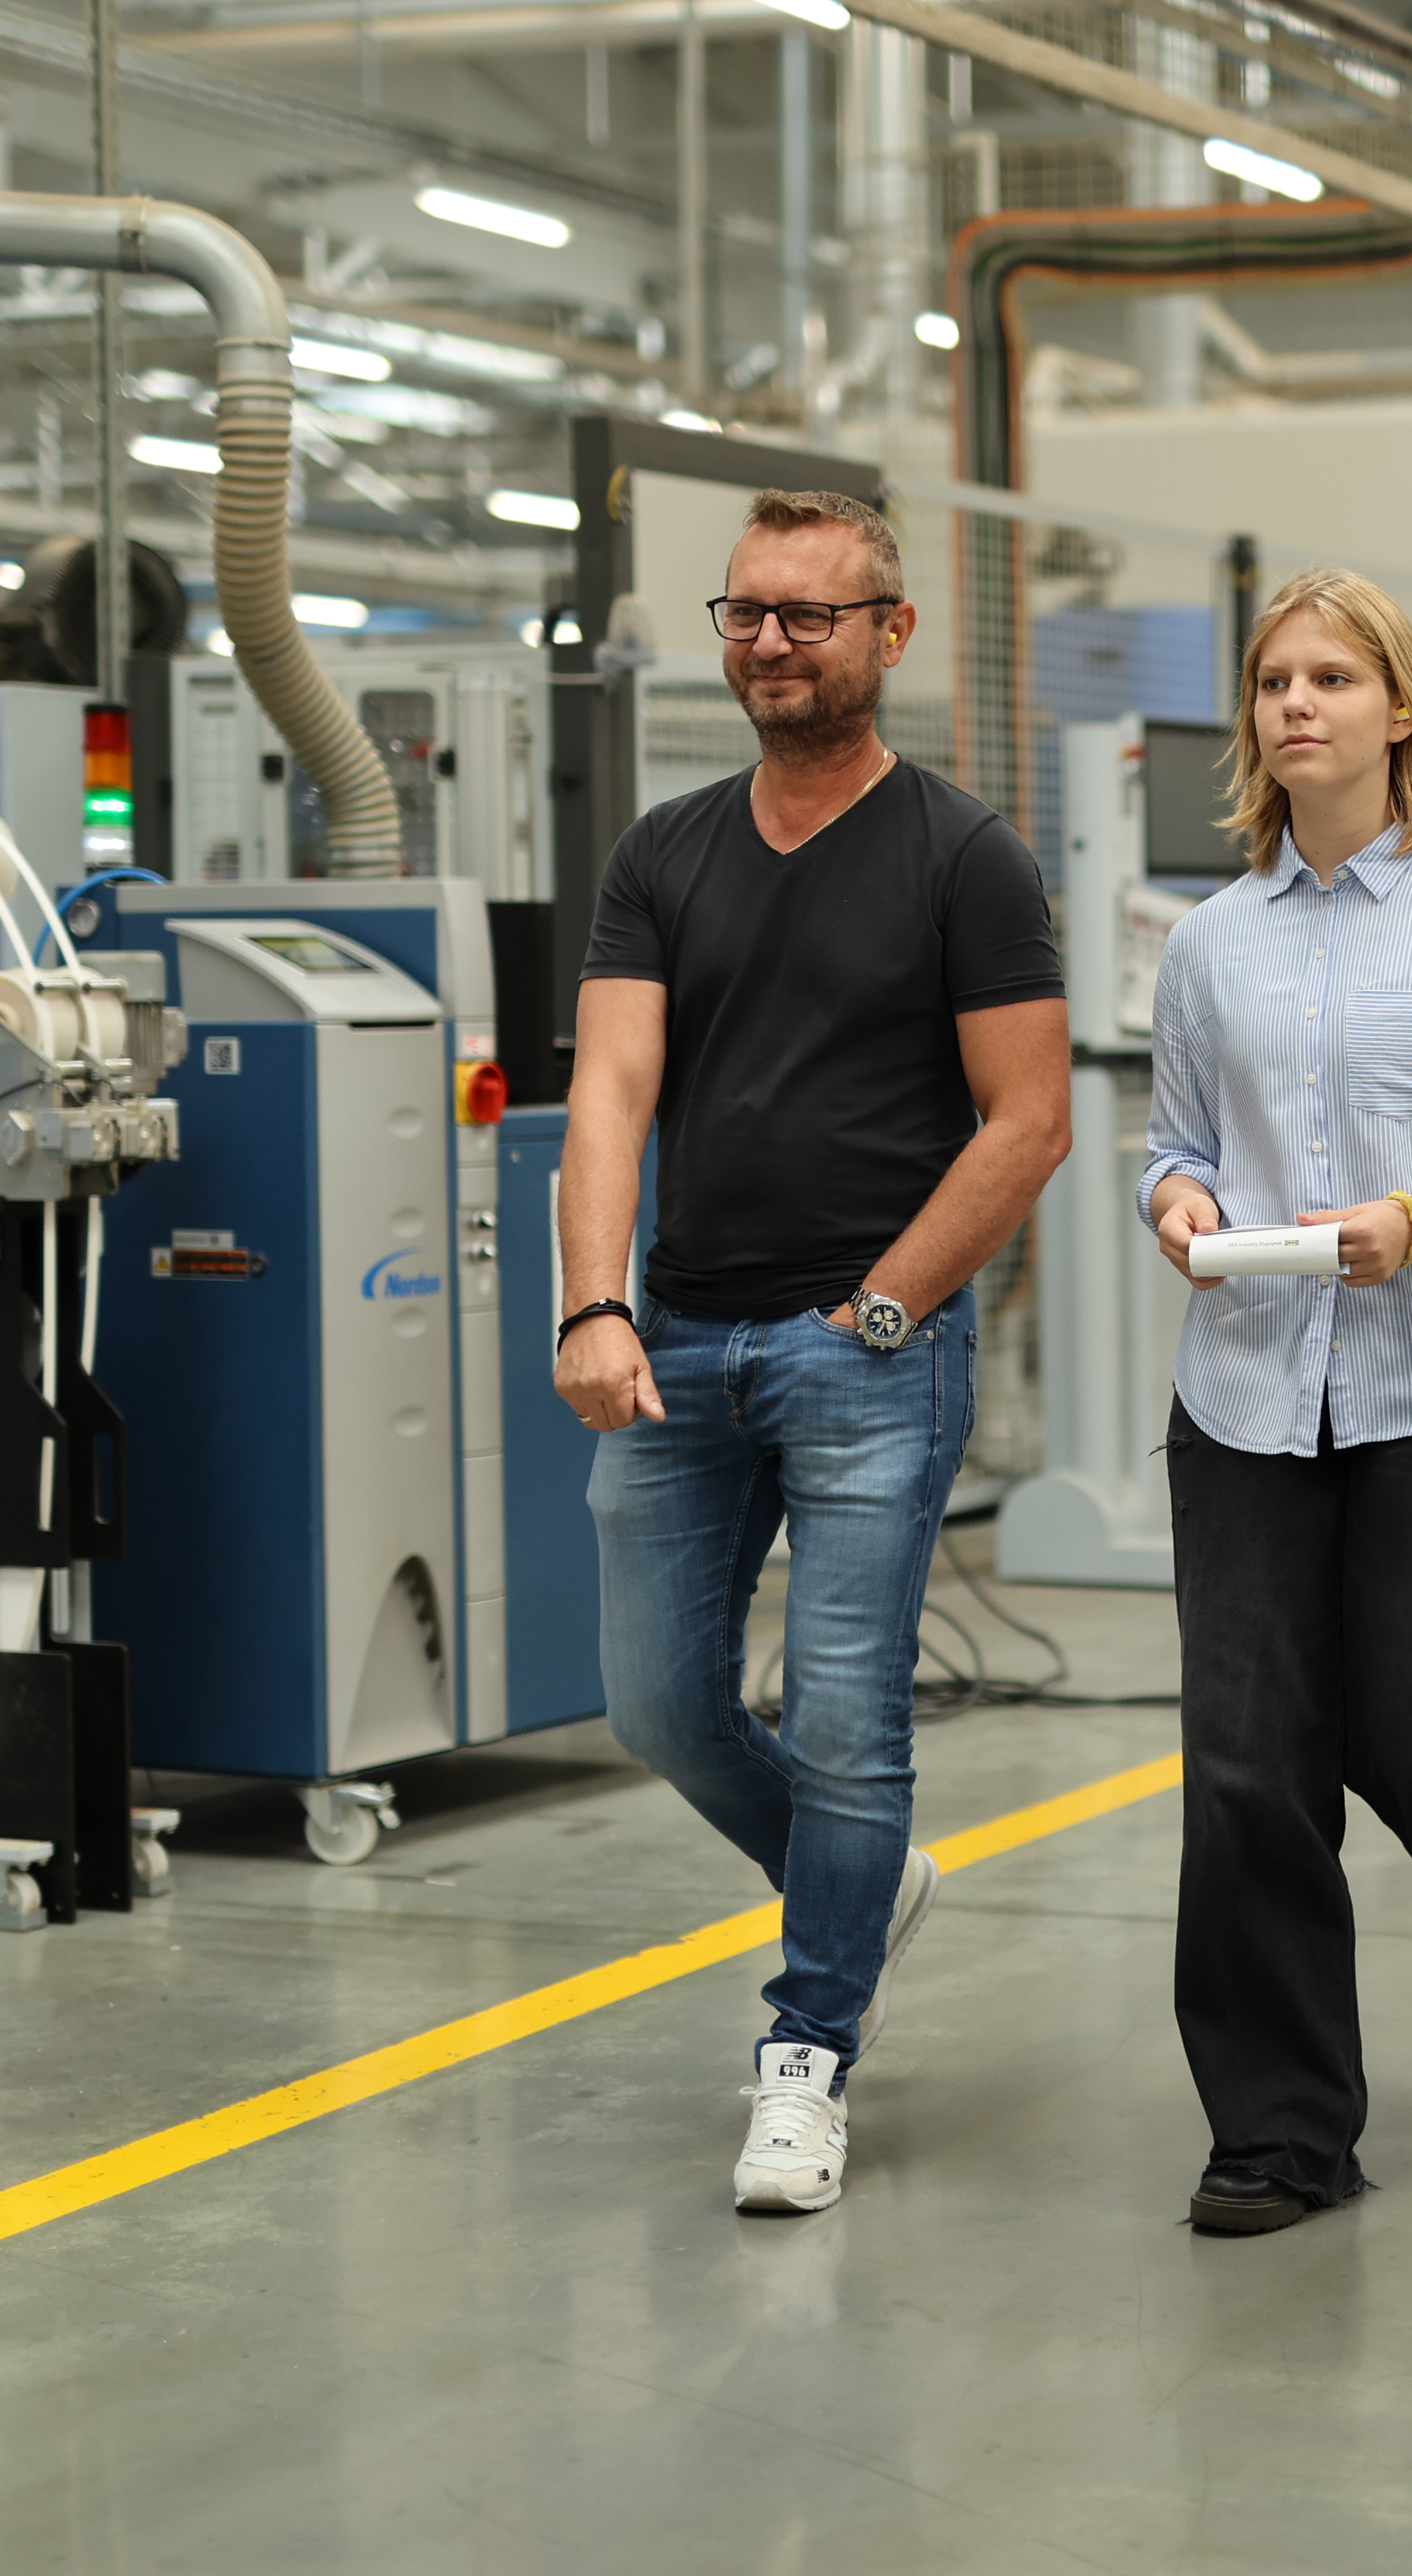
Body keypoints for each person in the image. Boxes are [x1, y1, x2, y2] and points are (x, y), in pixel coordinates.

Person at [557, 489, 1072, 2215]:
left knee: (849, 1720)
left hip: (869, 1349)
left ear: (889, 635)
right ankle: (859, 1883)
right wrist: (593, 1301)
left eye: (808, 615)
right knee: (657, 1702)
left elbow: (1027, 1120)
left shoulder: (964, 858)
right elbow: (610, 1092)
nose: (770, 642)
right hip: (682, 1338)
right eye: (747, 612)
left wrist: (884, 1312)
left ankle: (808, 2052)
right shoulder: (665, 853)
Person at [1137, 569, 1412, 2238]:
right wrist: (1178, 1206)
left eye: (1331, 677)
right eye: (1274, 681)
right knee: (1247, 1765)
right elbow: (1175, 1146)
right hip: (1245, 1398)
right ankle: (1279, 2132)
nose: (1296, 705)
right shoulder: (1209, 943)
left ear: (1400, 711)